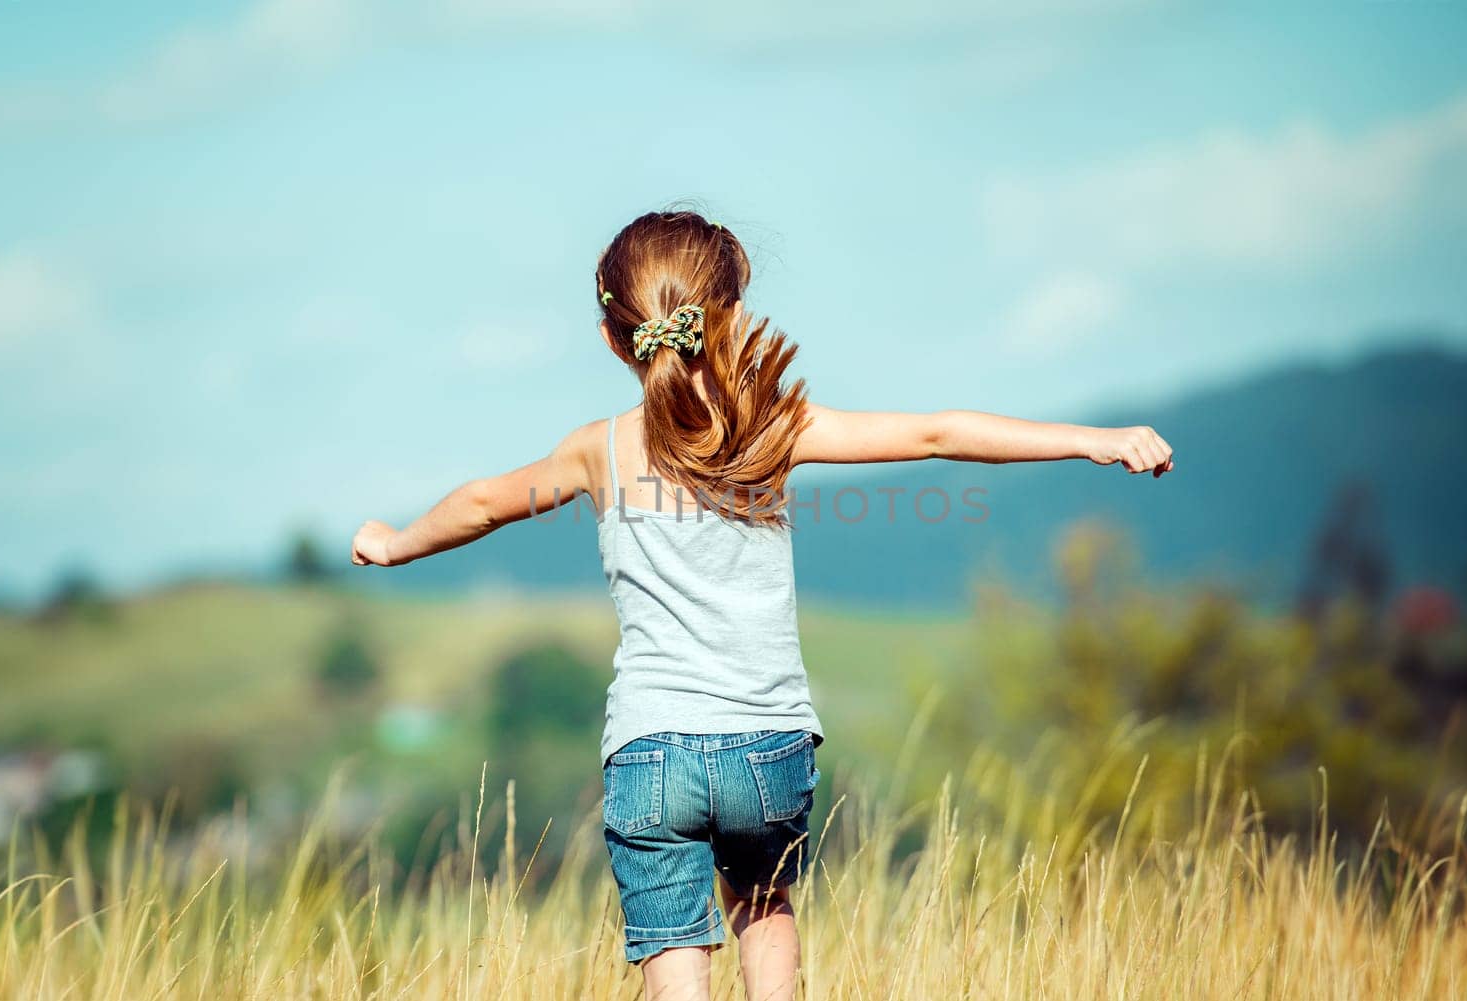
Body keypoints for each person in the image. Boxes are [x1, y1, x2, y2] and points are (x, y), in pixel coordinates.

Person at [350, 208, 1174, 1001]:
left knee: (673, 959)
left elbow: (487, 502)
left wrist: (395, 541)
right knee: (765, 910)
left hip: (650, 751)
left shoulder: (595, 451)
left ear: (613, 338)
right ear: (732, 315)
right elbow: (935, 434)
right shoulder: (775, 426)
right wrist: (1090, 439)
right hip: (765, 748)